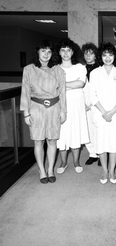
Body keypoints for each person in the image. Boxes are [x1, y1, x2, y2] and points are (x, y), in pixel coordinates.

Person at [20, 40, 66, 184]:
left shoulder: (58, 70)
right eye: (43, 51)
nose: (46, 54)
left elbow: (62, 92)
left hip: (54, 108)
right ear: (37, 52)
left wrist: (64, 111)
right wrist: (26, 112)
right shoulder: (28, 69)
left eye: (49, 51)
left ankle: (50, 169)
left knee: (52, 140)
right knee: (38, 141)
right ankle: (41, 170)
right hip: (36, 108)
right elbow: (25, 91)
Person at [89, 43, 116, 184]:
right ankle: (104, 171)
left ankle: (112, 171)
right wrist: (104, 112)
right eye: (104, 55)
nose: (108, 58)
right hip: (100, 113)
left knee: (114, 143)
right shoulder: (94, 73)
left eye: (110, 54)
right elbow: (92, 96)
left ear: (115, 56)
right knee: (101, 143)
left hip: (115, 113)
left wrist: (112, 112)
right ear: (100, 56)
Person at [56, 38, 90, 174]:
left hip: (76, 103)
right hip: (59, 103)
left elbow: (80, 84)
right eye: (63, 50)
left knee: (75, 131)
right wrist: (71, 84)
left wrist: (62, 85)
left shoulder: (80, 67)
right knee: (62, 132)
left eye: (68, 50)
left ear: (72, 52)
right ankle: (63, 162)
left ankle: (76, 161)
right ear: (59, 52)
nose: (65, 53)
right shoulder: (55, 68)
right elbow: (53, 86)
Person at [82, 42, 101, 166]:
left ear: (95, 55)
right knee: (87, 129)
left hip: (97, 104)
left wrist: (93, 104)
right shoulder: (80, 68)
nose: (88, 56)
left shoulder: (100, 68)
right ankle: (92, 153)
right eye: (86, 53)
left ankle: (101, 154)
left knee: (98, 129)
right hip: (84, 103)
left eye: (91, 53)